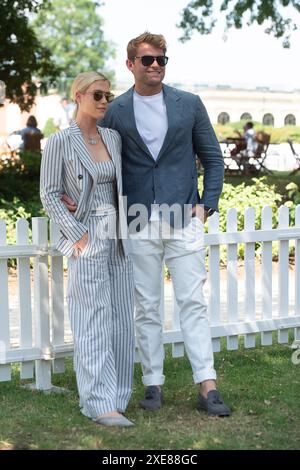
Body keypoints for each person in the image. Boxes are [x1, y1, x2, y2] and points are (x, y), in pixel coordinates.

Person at [63, 33, 231, 416]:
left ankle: (207, 384)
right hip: (136, 221)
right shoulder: (116, 109)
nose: (155, 65)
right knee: (146, 306)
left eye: (161, 59)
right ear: (131, 65)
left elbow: (214, 158)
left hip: (182, 218)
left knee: (192, 302)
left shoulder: (188, 104)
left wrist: (207, 205)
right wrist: (72, 192)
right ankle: (153, 383)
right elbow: (91, 150)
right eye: (147, 59)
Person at [40, 71, 135, 427]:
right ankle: (98, 403)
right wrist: (77, 235)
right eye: (97, 95)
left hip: (117, 233)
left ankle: (118, 395)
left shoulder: (112, 137)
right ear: (77, 95)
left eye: (107, 96)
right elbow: (49, 193)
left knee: (121, 316)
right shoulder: (59, 142)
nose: (104, 102)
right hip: (87, 233)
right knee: (92, 318)